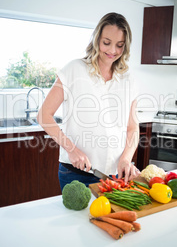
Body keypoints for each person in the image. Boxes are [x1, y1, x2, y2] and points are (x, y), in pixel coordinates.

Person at [37, 12, 140, 191]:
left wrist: (125, 159)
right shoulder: (74, 69)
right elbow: (44, 115)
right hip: (77, 174)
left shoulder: (128, 78)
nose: (112, 51)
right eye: (106, 43)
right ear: (97, 39)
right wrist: (72, 150)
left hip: (114, 176)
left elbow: (132, 128)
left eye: (120, 45)